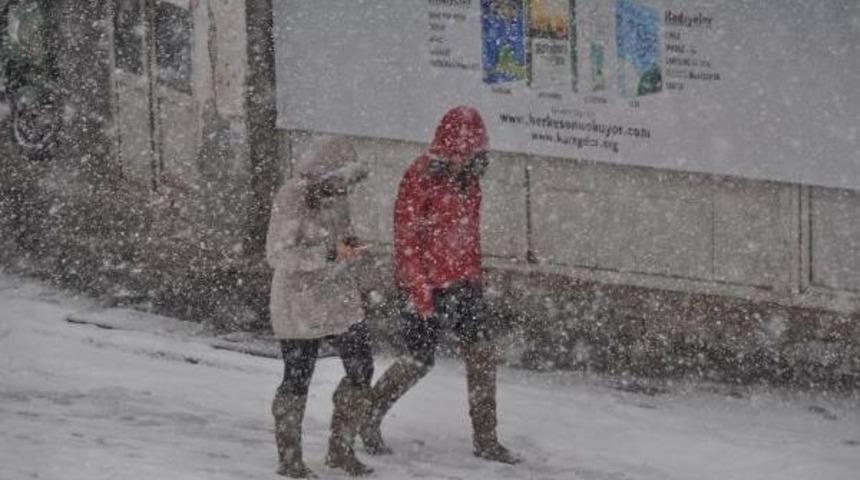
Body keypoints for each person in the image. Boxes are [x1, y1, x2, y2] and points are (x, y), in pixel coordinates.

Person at [360, 106, 520, 464]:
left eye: (475, 154)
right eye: (465, 154)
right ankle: (368, 415)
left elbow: (469, 237)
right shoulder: (419, 177)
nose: (470, 161)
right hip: (426, 284)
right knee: (418, 360)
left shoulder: (470, 182)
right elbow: (406, 239)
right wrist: (420, 293)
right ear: (449, 150)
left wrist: (474, 277)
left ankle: (486, 439)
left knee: (481, 355)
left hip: (464, 282)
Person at [266, 136, 375, 478]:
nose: (343, 189)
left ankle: (341, 449)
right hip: (298, 300)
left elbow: (343, 235)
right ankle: (290, 459)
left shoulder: (337, 197)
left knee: (361, 367)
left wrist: (352, 246)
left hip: (338, 294)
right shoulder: (292, 196)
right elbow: (279, 255)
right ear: (321, 173)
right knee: (298, 377)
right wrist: (329, 253)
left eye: (347, 182)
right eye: (339, 181)